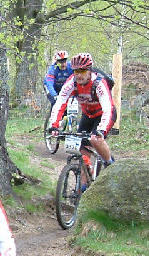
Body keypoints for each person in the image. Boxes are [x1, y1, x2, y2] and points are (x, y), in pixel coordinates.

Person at [48, 52, 116, 184]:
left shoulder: (98, 83)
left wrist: (101, 130)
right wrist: (54, 125)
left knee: (96, 140)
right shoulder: (71, 83)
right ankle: (84, 188)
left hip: (104, 115)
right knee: (83, 152)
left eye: (83, 71)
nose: (79, 75)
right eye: (76, 71)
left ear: (89, 70)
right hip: (88, 115)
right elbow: (60, 102)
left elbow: (108, 108)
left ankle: (110, 165)